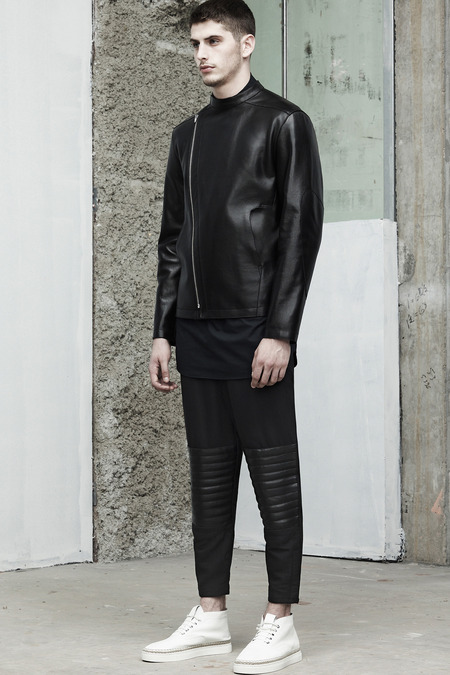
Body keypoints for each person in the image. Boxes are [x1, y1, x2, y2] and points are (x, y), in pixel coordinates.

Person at [143, 1, 323, 672]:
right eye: (196, 42)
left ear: (246, 44)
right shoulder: (186, 135)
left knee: (274, 478)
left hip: (255, 331)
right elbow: (172, 240)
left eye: (214, 40)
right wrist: (163, 330)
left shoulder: (283, 122)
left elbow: (300, 232)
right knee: (211, 479)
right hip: (196, 330)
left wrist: (281, 332)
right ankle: (211, 615)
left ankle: (281, 620)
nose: (202, 53)